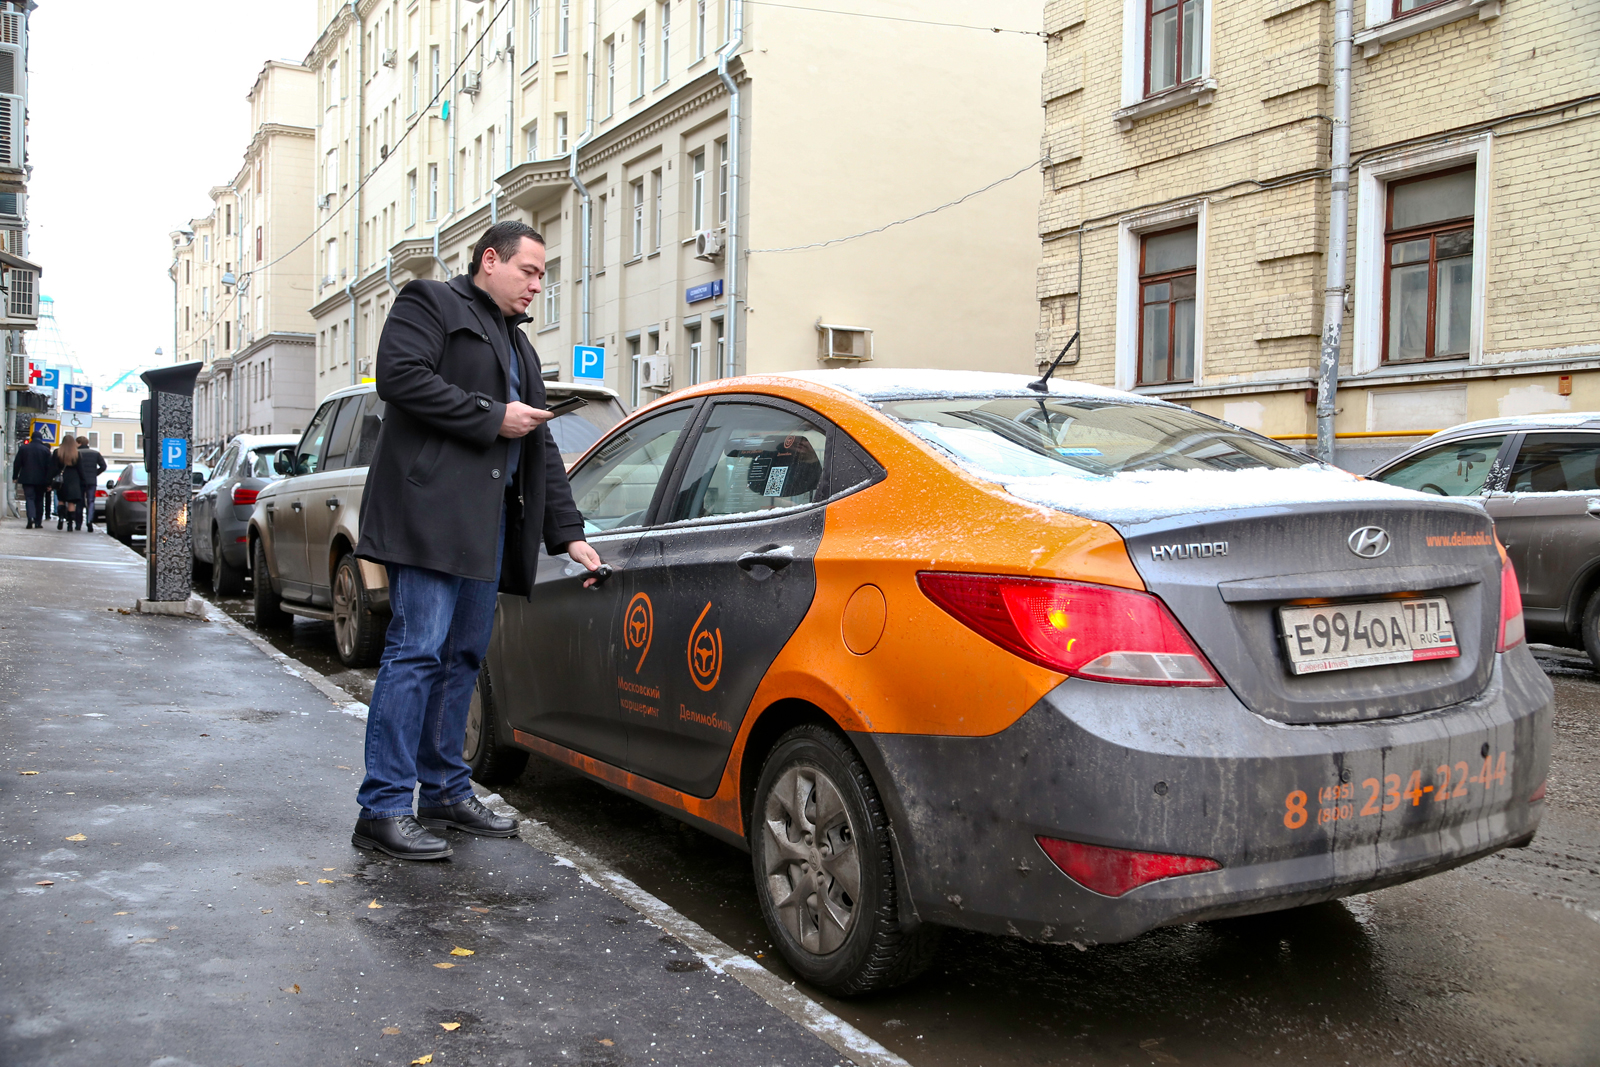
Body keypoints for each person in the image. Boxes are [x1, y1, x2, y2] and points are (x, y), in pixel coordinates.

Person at [352, 220, 604, 861]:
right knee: (416, 653)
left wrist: (569, 535)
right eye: (529, 271)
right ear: (489, 260)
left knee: (462, 657)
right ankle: (382, 807)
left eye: (544, 276)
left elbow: (539, 443)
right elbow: (399, 377)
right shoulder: (431, 301)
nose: (537, 285)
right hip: (431, 515)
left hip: (488, 526)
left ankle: (443, 790)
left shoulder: (520, 350)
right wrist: (493, 417)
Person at [11, 428, 54, 528]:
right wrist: (49, 482)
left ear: (31, 438)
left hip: (27, 478)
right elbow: (49, 467)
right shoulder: (45, 450)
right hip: (41, 479)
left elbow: (17, 463)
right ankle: (38, 522)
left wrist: (15, 476)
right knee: (39, 500)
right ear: (41, 438)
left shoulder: (24, 448)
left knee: (29, 498)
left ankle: (30, 518)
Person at [75, 436, 106, 533]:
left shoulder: (76, 453)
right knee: (91, 501)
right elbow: (103, 466)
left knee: (79, 502)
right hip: (92, 481)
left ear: (79, 443)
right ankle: (89, 521)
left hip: (79, 480)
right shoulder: (95, 453)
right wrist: (95, 473)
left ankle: (78, 524)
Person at [53, 435, 83, 531]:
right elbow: (80, 469)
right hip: (74, 480)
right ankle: (70, 524)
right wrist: (83, 481)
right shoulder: (77, 454)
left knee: (61, 500)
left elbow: (52, 468)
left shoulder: (57, 452)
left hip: (61, 480)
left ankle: (61, 519)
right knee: (71, 503)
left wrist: (49, 480)